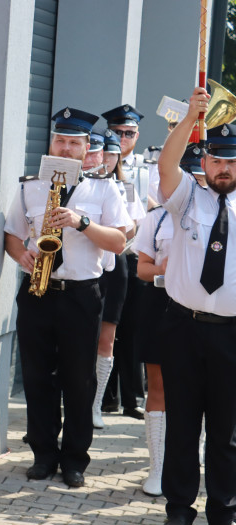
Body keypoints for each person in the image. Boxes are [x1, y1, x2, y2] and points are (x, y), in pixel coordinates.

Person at [4, 107, 128, 488]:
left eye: (74, 142)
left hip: (80, 295)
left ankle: (75, 459)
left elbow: (120, 241)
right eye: (60, 140)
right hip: (38, 291)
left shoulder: (104, 188)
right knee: (37, 375)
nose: (66, 147)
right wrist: (20, 254)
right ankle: (43, 454)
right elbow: (11, 232)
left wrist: (82, 222)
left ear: (87, 147)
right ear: (51, 143)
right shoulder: (29, 186)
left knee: (78, 379)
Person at [155, 87, 236, 525]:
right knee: (183, 423)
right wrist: (190, 118)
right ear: (204, 162)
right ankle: (179, 510)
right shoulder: (186, 197)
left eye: (232, 161)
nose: (225, 168)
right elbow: (167, 163)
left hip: (231, 333)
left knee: (227, 430)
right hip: (183, 328)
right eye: (217, 159)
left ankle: (223, 515)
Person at [133, 144, 206, 496]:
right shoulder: (156, 217)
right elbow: (141, 269)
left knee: (206, 388)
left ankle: (201, 459)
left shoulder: (223, 215)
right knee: (159, 387)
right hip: (161, 304)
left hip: (204, 309)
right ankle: (157, 467)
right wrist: (163, 267)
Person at [90, 129, 143, 429]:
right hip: (87, 264)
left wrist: (108, 232)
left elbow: (133, 225)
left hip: (115, 264)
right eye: (105, 153)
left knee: (107, 337)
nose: (109, 159)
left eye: (113, 154)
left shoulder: (127, 187)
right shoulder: (86, 184)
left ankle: (96, 404)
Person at [102, 105, 148, 421]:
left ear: (137, 135)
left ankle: (132, 398)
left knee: (133, 329)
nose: (122, 138)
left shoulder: (149, 170)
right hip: (106, 257)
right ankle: (106, 398)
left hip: (135, 257)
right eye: (117, 133)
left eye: (128, 133)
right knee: (106, 327)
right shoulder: (100, 164)